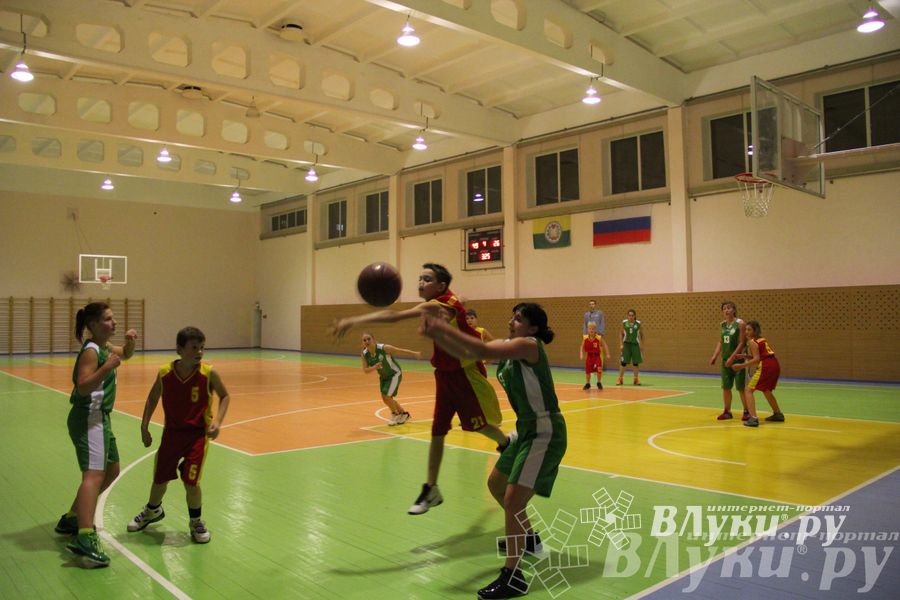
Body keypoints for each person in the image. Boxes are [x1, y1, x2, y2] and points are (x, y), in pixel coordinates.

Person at [330, 263, 511, 515]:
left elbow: (392, 316)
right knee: (438, 430)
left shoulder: (436, 305)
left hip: (464, 374)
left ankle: (506, 443)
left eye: (427, 279)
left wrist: (353, 319)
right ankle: (431, 488)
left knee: (478, 425)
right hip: (444, 374)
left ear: (440, 286)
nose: (420, 283)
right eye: (420, 278)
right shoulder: (444, 299)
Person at [420, 303, 567, 600]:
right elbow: (475, 352)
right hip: (525, 430)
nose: (512, 321)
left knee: (513, 499)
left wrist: (446, 329)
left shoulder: (528, 346)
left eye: (519, 318)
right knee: (496, 484)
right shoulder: (512, 350)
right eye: (512, 316)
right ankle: (529, 539)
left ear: (534, 328)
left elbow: (483, 351)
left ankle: (513, 578)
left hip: (545, 431)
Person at [127, 326, 231, 543]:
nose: (199, 352)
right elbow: (152, 397)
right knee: (160, 478)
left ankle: (196, 522)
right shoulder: (165, 373)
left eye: (202, 348)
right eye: (194, 347)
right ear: (179, 349)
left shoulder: (209, 373)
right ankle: (152, 510)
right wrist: (144, 426)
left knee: (191, 482)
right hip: (172, 434)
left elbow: (225, 396)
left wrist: (218, 423)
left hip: (197, 436)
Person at [56, 302, 137, 568]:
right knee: (93, 474)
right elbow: (81, 386)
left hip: (100, 418)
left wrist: (130, 343)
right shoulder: (92, 351)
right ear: (92, 325)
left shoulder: (104, 347)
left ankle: (74, 516)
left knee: (112, 469)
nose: (113, 323)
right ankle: (85, 536)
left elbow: (124, 355)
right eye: (108, 319)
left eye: (113, 319)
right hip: (89, 418)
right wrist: (106, 368)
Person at [732, 320, 785, 428]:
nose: (746, 332)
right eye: (746, 329)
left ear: (755, 331)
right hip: (774, 364)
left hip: (766, 366)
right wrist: (745, 356)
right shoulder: (761, 339)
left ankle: (753, 418)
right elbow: (760, 356)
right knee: (766, 390)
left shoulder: (752, 342)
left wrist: (740, 366)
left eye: (749, 329)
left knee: (748, 390)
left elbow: (757, 360)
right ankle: (778, 414)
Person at [361, 332, 422, 425]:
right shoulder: (365, 354)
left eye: (369, 339)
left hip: (394, 374)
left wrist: (414, 353)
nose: (367, 341)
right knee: (387, 398)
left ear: (373, 339)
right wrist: (374, 367)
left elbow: (399, 350)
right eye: (364, 340)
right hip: (383, 376)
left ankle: (395, 414)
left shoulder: (383, 348)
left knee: (386, 396)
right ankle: (404, 414)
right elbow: (365, 370)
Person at [709, 301, 749, 421]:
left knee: (741, 387)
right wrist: (715, 356)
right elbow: (721, 342)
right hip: (725, 361)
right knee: (726, 387)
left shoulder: (740, 323)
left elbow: (742, 342)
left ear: (734, 310)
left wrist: (733, 357)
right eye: (724, 308)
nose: (726, 310)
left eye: (729, 308)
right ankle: (727, 411)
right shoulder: (722, 325)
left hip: (738, 361)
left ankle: (747, 411)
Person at [580, 321, 609, 390]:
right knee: (588, 371)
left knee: (599, 369)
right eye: (590, 328)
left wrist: (607, 353)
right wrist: (581, 353)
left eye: (593, 329)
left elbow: (604, 345)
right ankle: (588, 383)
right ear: (587, 329)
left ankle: (599, 382)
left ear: (595, 329)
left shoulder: (598, 338)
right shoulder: (585, 338)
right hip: (589, 357)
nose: (591, 330)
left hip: (597, 356)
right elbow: (582, 346)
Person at [618, 309, 644, 386]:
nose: (631, 317)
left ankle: (636, 379)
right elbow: (621, 334)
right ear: (627, 316)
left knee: (636, 363)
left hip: (635, 345)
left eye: (632, 315)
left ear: (635, 316)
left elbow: (641, 335)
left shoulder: (638, 324)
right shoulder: (624, 323)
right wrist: (621, 344)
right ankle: (620, 378)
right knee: (623, 362)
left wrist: (641, 344)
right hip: (626, 345)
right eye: (629, 315)